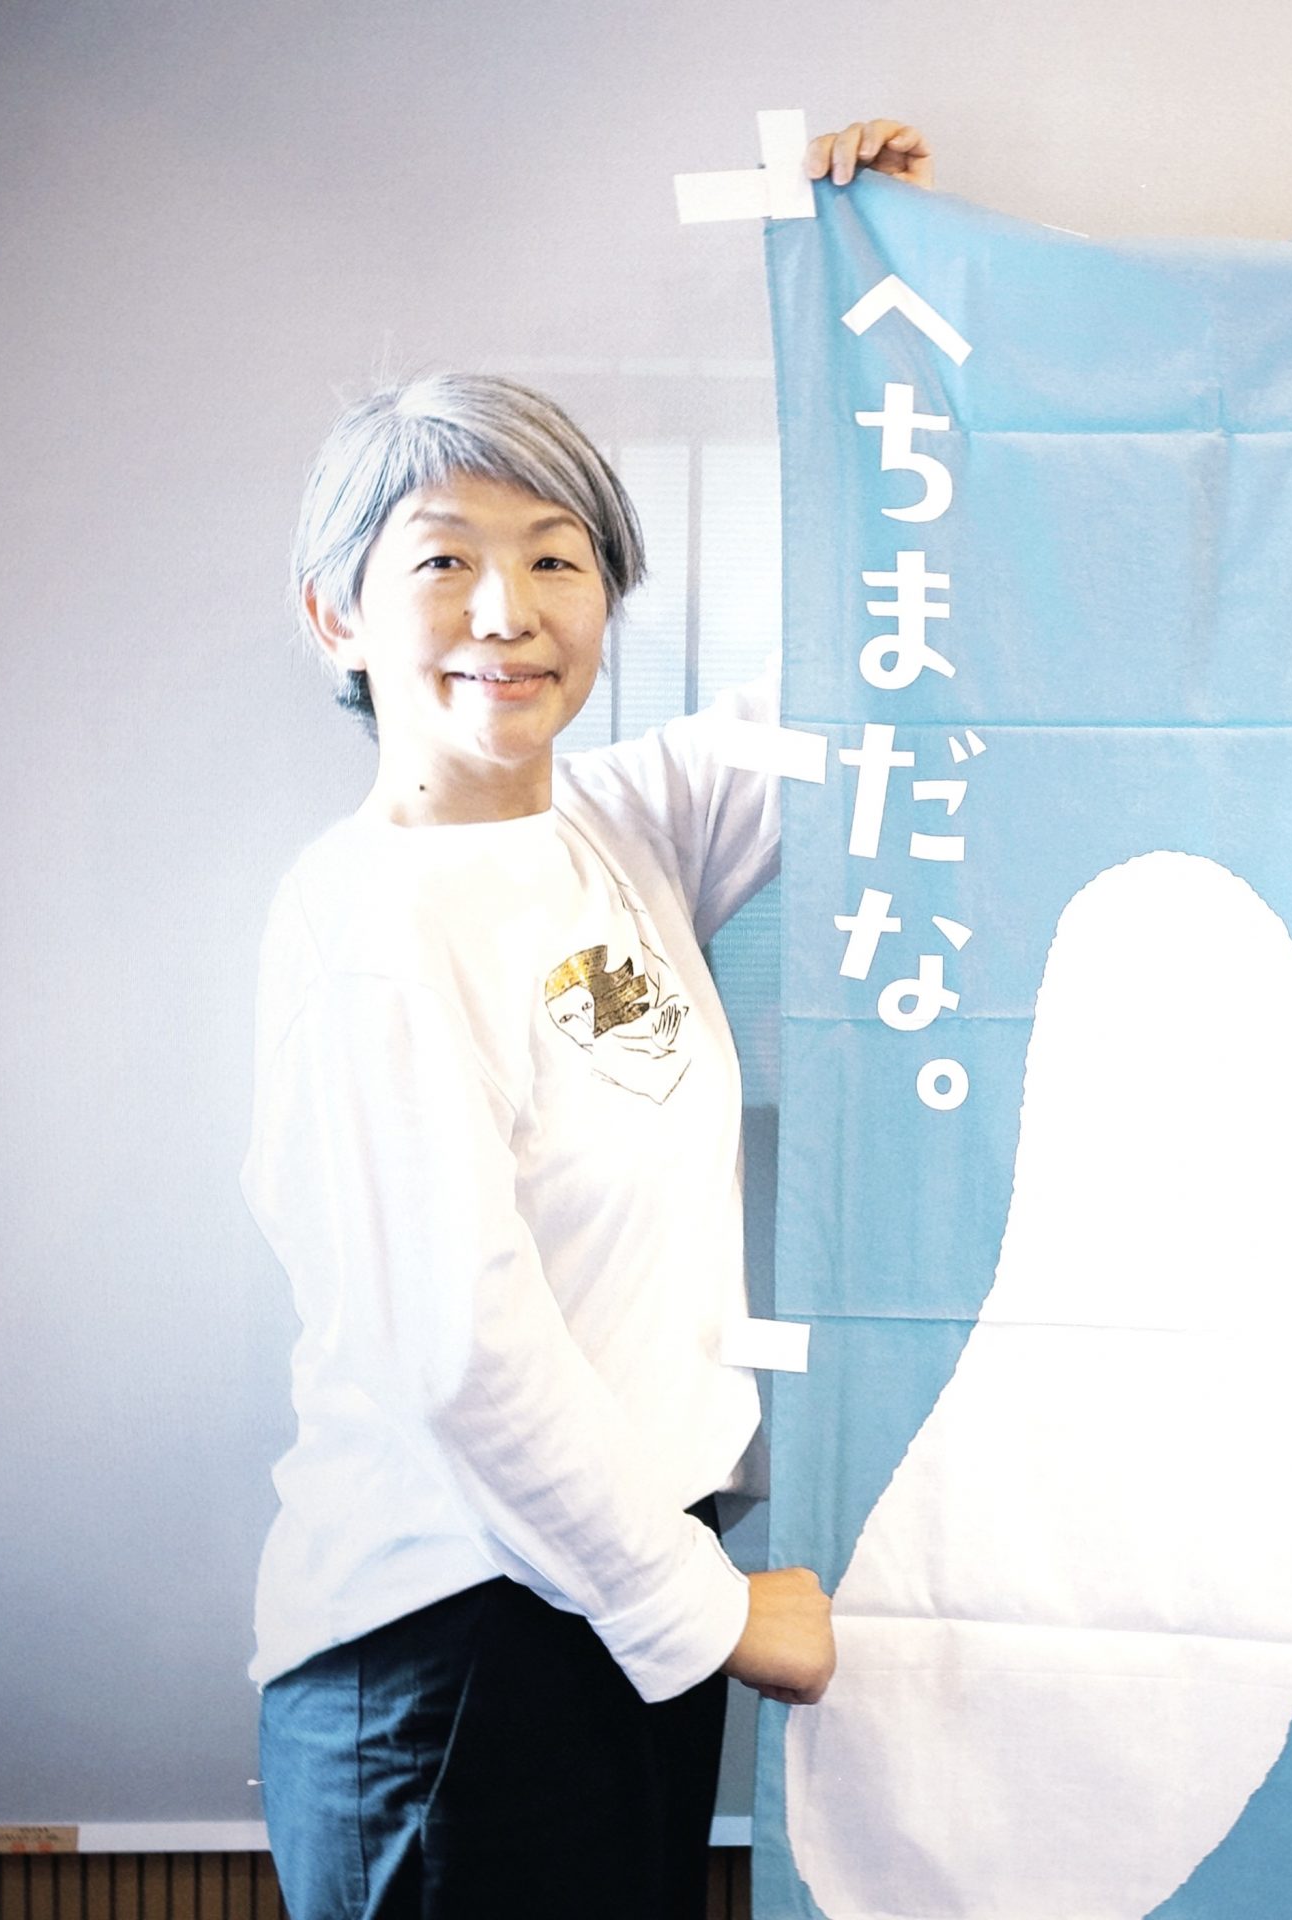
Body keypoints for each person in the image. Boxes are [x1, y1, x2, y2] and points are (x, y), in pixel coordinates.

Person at [244, 121, 932, 1920]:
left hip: (610, 1621)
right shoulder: (369, 921)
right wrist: (711, 1615)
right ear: (335, 614)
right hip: (454, 1652)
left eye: (557, 560)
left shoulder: (624, 826)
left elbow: (895, 653)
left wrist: (890, 287)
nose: (509, 611)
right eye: (441, 563)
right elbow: (458, 1353)